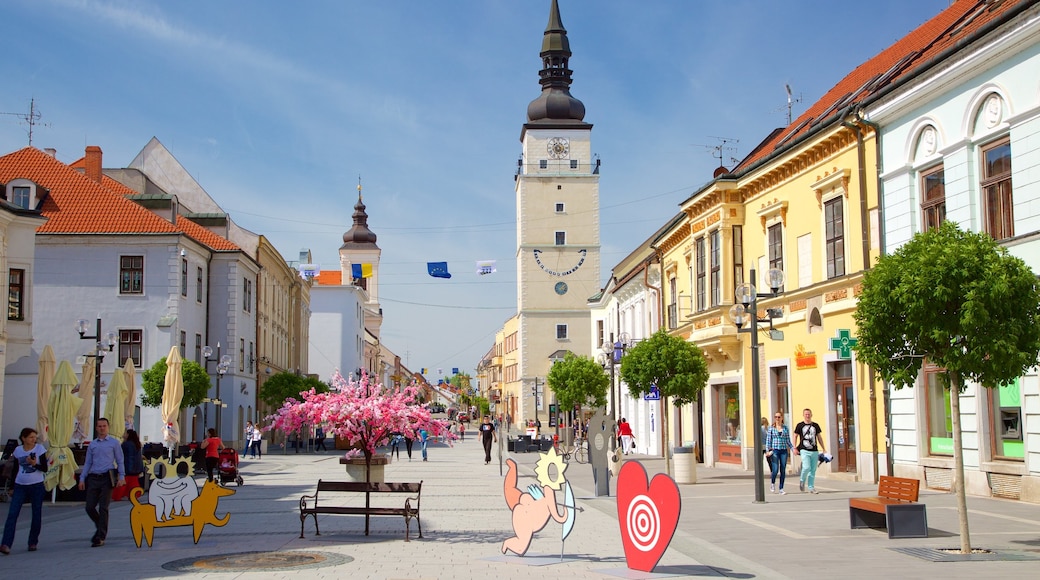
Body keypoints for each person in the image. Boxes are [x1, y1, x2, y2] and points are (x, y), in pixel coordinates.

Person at [78, 418, 125, 547]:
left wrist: (121, 476)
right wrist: (82, 478)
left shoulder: (114, 443)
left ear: (108, 427)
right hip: (94, 477)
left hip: (107, 477)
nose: (102, 428)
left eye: (104, 426)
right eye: (100, 426)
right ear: (97, 428)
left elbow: (120, 460)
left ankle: (100, 536)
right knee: (89, 507)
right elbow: (88, 462)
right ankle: (101, 526)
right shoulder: (93, 444)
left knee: (103, 507)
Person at [1, 427, 48, 554]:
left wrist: (34, 464)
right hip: (20, 485)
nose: (33, 440)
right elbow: (15, 469)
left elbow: (44, 468)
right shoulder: (18, 450)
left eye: (35, 437)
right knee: (12, 514)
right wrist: (11, 487)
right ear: (24, 438)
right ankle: (6, 544)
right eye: (31, 437)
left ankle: (33, 542)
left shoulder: (39, 449)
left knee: (36, 514)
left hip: (36, 485)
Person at [794, 408, 826, 494]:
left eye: (809, 414)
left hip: (814, 450)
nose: (807, 416)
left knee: (813, 469)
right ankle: (802, 480)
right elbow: (795, 436)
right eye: (806, 414)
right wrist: (794, 448)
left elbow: (819, 437)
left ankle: (811, 487)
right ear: (803, 415)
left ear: (811, 415)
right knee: (806, 467)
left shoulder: (815, 425)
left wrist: (823, 448)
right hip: (804, 450)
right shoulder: (799, 425)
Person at [765, 412, 793, 494]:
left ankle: (781, 488)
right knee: (775, 469)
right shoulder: (771, 428)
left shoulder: (785, 428)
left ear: (782, 418)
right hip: (775, 451)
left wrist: (792, 448)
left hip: (783, 450)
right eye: (775, 417)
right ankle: (772, 483)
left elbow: (788, 440)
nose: (777, 419)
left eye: (779, 417)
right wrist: (767, 450)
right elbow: (768, 440)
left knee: (783, 469)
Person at [112, 429, 144, 501]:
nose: (124, 434)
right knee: (133, 483)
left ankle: (117, 496)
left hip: (127, 467)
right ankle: (134, 494)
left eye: (125, 433)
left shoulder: (126, 444)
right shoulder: (137, 444)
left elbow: (120, 455)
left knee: (123, 483)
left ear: (128, 435)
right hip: (136, 468)